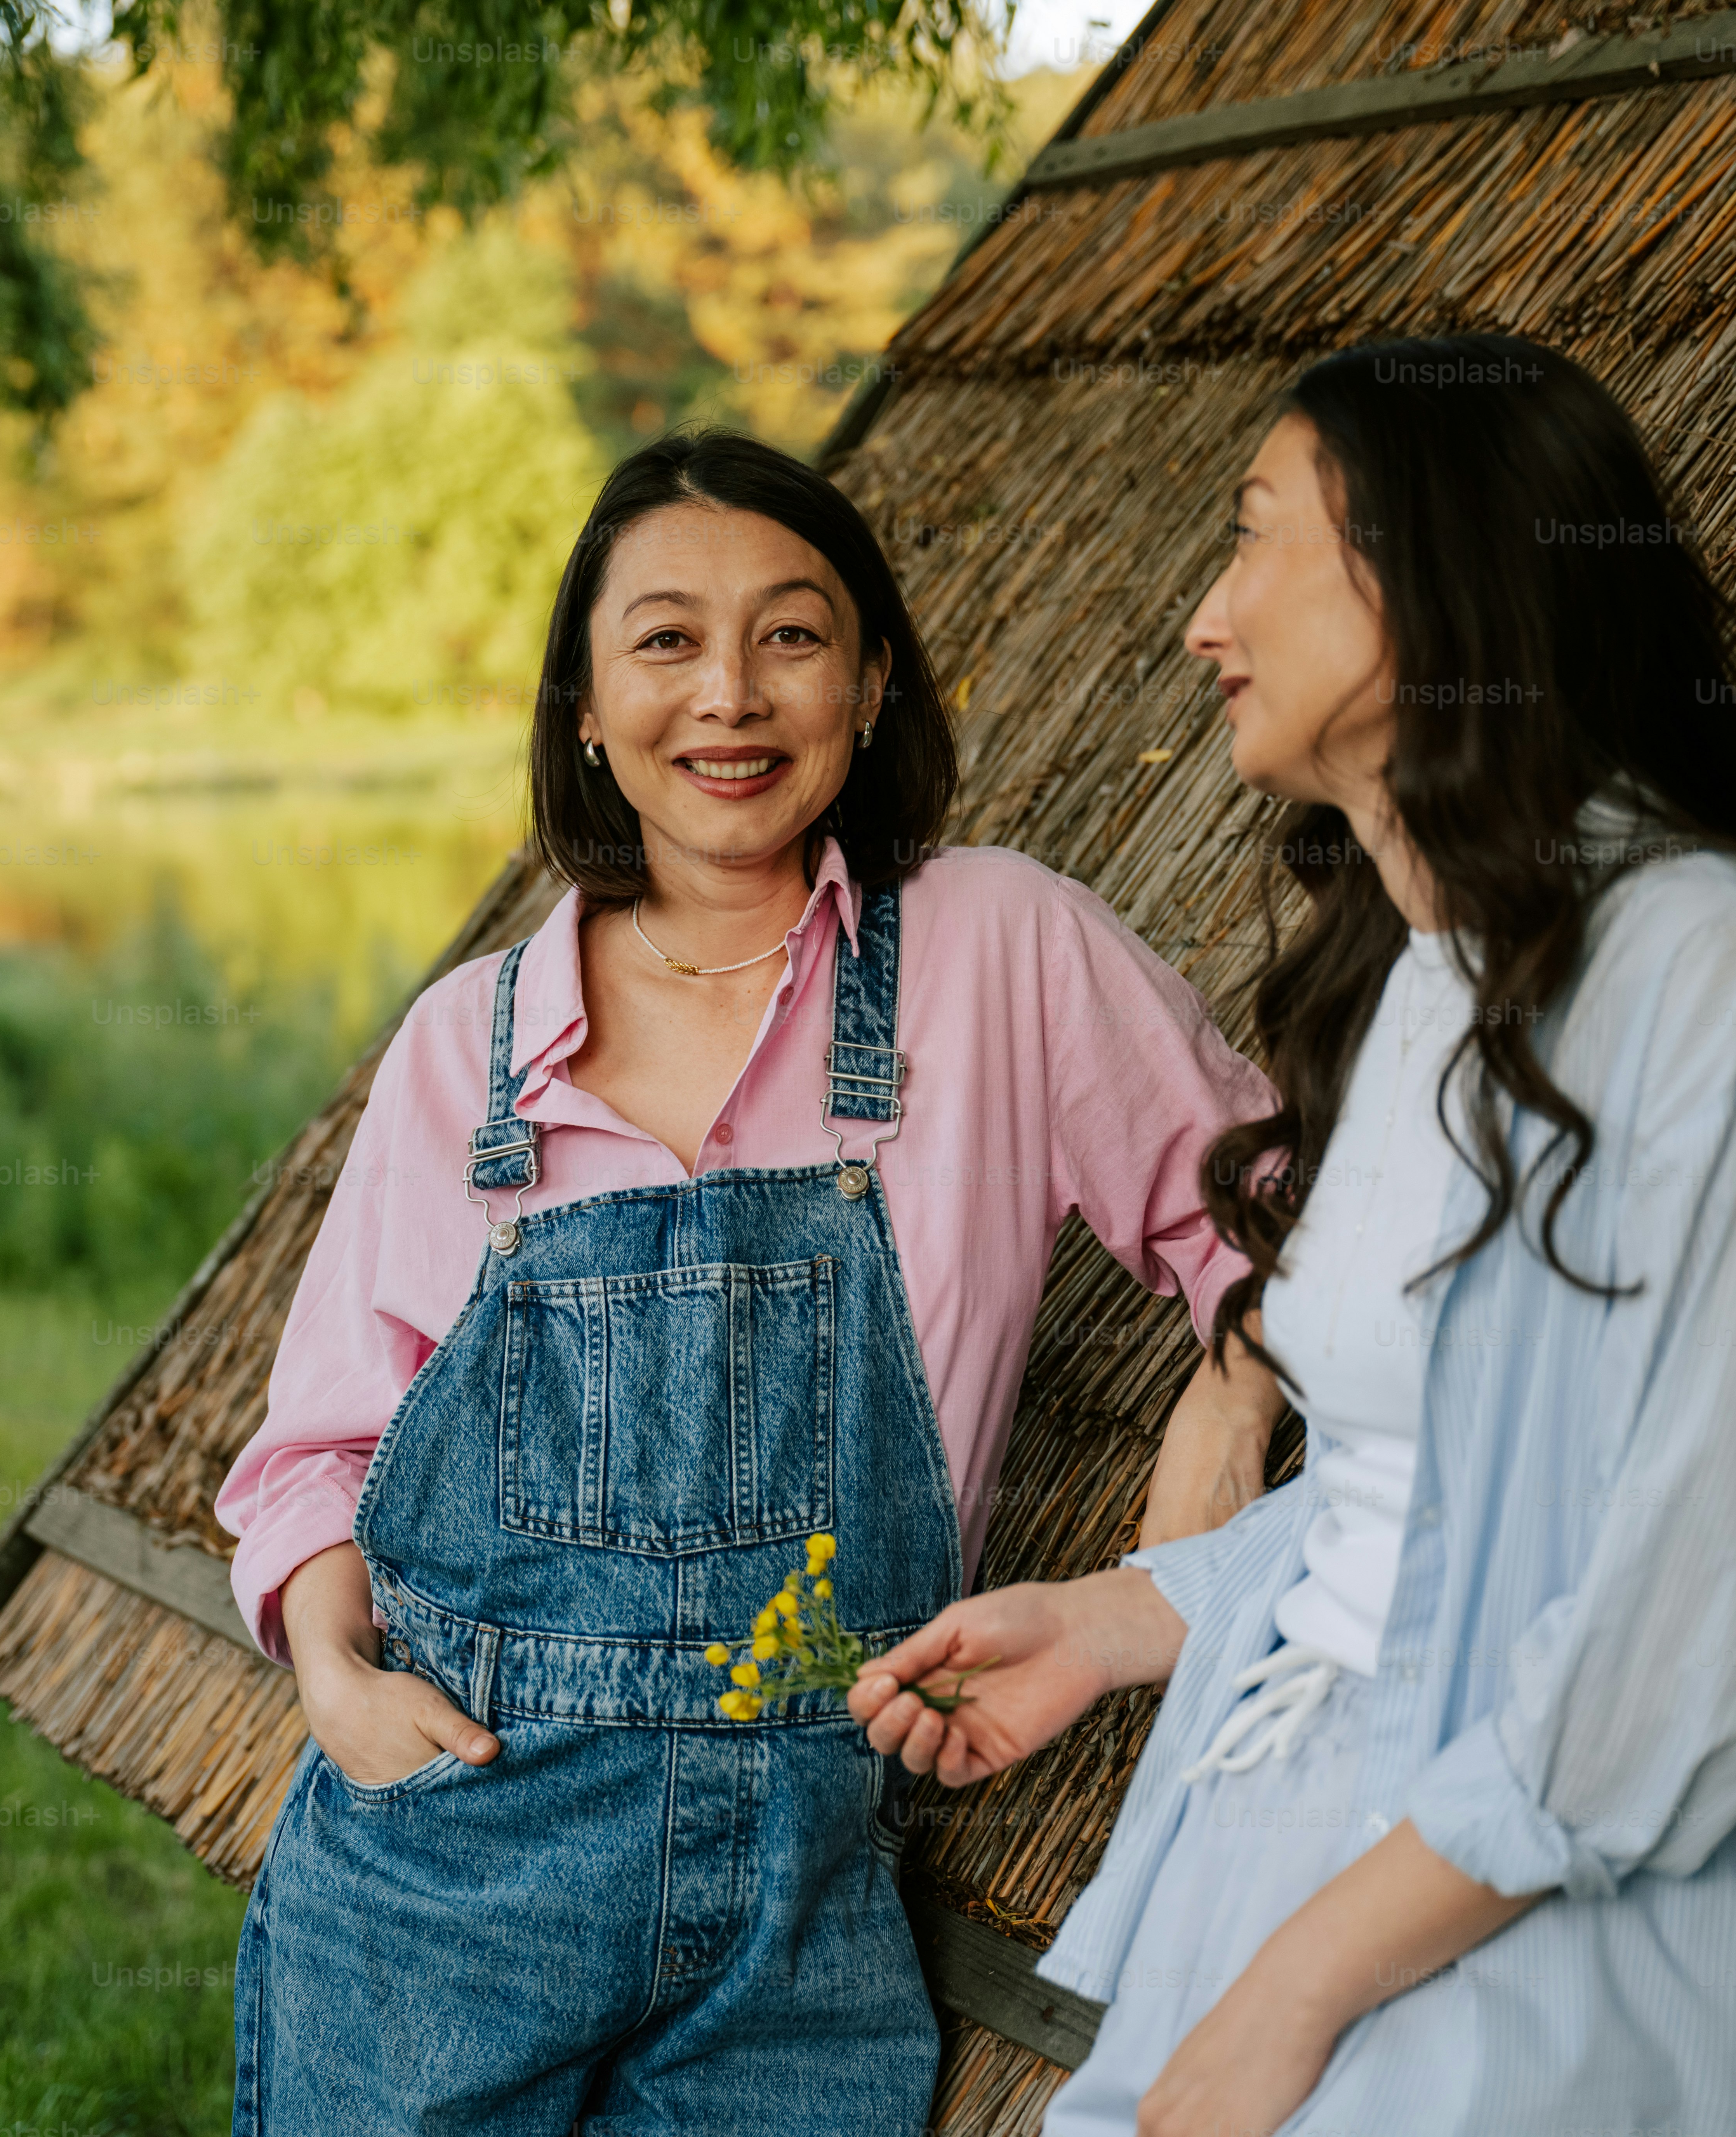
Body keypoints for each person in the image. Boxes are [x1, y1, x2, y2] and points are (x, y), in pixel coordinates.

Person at [851, 334, 1736, 2137]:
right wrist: (1115, 1617)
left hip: (1532, 1918)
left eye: (1253, 538)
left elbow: (1725, 1585)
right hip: (1299, 1850)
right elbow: (1445, 1499)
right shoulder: (1418, 997)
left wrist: (1309, 1982)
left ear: (1427, 573)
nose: (1201, 618)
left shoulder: (1721, 975)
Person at [213, 428, 1285, 2135]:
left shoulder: (996, 953)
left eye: (790, 634)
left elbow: (1295, 1227)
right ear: (582, 699)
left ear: (870, 684)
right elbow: (316, 1459)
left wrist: (1222, 1427)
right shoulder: (469, 1053)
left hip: (804, 1894)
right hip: (443, 1876)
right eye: (665, 640)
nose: (730, 693)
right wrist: (340, 1682)